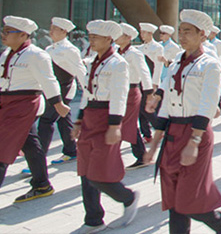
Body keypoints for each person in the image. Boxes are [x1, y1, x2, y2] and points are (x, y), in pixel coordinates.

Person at [143, 9, 221, 234]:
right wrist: (154, 143)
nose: (182, 36)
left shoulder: (210, 65)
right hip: (173, 133)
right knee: (173, 200)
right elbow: (167, 106)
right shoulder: (174, 65)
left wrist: (194, 141)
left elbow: (208, 105)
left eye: (188, 32)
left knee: (188, 197)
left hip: (195, 133)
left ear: (202, 35)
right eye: (180, 31)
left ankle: (219, 221)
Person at [75, 20, 142, 233]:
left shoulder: (118, 63)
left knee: (97, 173)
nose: (91, 40)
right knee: (85, 171)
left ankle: (128, 197)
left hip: (106, 119)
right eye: (90, 36)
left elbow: (119, 96)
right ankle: (94, 219)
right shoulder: (93, 62)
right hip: (89, 118)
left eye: (95, 37)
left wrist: (115, 126)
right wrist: (78, 120)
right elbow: (87, 94)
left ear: (108, 39)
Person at [0, 16, 69, 202]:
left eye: (8, 32)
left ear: (23, 35)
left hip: (23, 104)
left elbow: (49, 80)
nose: (3, 35)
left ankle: (41, 184)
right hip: (6, 103)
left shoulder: (36, 54)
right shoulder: (7, 53)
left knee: (3, 145)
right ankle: (42, 184)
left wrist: (58, 103)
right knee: (30, 143)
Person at [40, 17, 86, 165]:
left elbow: (80, 71)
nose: (50, 31)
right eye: (51, 28)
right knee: (63, 119)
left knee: (46, 121)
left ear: (64, 32)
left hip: (64, 90)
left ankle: (37, 159)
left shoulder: (70, 50)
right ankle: (71, 150)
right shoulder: (49, 48)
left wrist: (89, 92)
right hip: (50, 89)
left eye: (54, 29)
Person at [117, 23, 151, 169]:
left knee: (127, 124)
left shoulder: (134, 53)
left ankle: (141, 156)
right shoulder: (115, 52)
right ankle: (141, 156)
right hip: (119, 92)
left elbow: (144, 72)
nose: (115, 37)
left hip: (131, 92)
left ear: (127, 37)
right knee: (123, 123)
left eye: (119, 34)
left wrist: (149, 92)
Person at [138, 22, 165, 143]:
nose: (142, 34)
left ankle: (160, 129)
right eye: (141, 32)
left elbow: (158, 67)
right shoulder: (139, 48)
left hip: (150, 83)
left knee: (146, 108)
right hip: (140, 82)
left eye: (144, 32)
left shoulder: (157, 47)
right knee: (140, 110)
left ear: (150, 33)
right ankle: (147, 134)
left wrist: (155, 84)